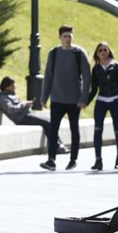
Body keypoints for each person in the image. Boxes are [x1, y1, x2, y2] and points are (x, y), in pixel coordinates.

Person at [40, 24, 91, 171]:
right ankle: (51, 160)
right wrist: (44, 96)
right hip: (57, 98)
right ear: (60, 37)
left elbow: (87, 77)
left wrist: (83, 98)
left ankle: (73, 159)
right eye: (65, 36)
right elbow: (48, 76)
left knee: (74, 129)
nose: (68, 38)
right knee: (53, 129)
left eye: (70, 36)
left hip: (75, 100)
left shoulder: (79, 53)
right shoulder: (54, 53)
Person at [87, 42, 118, 171]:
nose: (103, 52)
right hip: (101, 100)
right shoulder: (95, 69)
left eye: (105, 50)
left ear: (109, 51)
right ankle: (98, 160)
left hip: (115, 100)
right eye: (100, 50)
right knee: (97, 129)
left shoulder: (117, 67)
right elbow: (94, 89)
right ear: (97, 54)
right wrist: (86, 102)